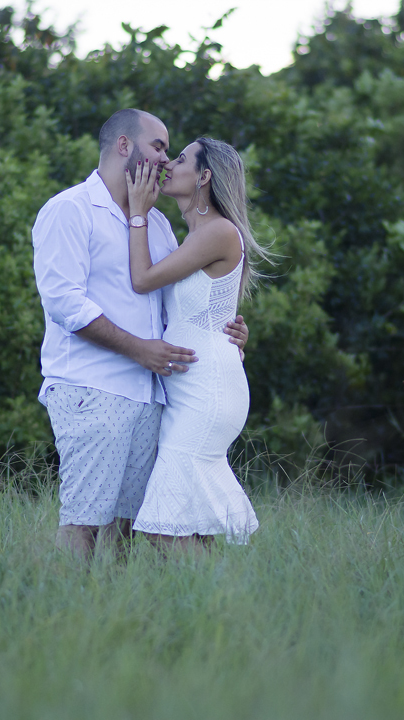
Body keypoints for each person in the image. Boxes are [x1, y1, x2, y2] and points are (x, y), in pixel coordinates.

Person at [31, 109, 249, 559]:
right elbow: (65, 304)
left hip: (153, 396)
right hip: (93, 387)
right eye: (159, 146)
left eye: (171, 152)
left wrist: (223, 329)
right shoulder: (68, 210)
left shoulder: (160, 225)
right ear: (125, 147)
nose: (166, 159)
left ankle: (116, 615)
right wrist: (140, 351)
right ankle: (65, 617)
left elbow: (182, 300)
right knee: (85, 521)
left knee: (131, 529)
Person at [124, 137, 268, 549]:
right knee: (187, 522)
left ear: (204, 176)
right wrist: (237, 334)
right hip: (190, 387)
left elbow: (142, 280)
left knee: (161, 529)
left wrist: (138, 213)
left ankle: (208, 604)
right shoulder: (192, 237)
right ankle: (210, 603)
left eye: (182, 158)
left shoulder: (219, 231)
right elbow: (204, 311)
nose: (169, 162)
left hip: (207, 391)